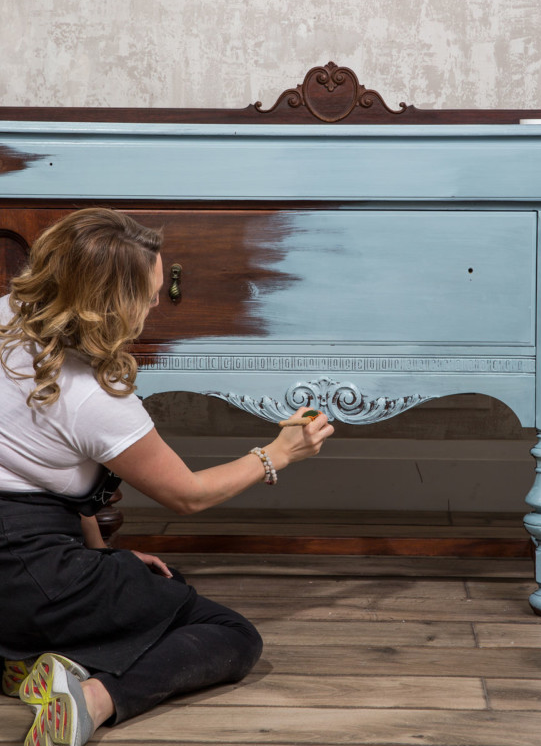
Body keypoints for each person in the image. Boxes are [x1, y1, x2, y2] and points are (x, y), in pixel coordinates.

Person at [0, 207, 334, 746]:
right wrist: (280, 452)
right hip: (28, 572)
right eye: (149, 295)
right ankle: (90, 701)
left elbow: (47, 478)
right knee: (231, 634)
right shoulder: (89, 394)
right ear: (110, 301)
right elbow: (187, 495)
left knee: (151, 578)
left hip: (23, 563)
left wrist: (102, 559)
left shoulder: (5, 316)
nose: (156, 304)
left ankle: (22, 659)